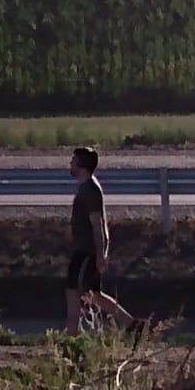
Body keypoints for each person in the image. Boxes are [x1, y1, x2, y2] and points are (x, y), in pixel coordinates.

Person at [64, 146, 147, 346]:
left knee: (73, 292)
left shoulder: (90, 190)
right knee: (93, 294)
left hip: (86, 251)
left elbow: (97, 223)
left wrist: (100, 254)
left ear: (82, 166)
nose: (70, 164)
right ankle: (132, 324)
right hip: (84, 249)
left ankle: (72, 343)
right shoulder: (86, 187)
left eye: (73, 161)